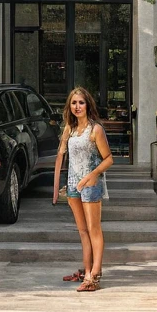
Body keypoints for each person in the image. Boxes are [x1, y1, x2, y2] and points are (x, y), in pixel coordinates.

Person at [52, 86, 114, 292]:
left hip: (90, 186)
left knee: (94, 229)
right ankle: (87, 271)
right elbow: (61, 155)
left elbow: (109, 159)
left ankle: (95, 274)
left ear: (88, 104)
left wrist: (91, 175)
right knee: (82, 231)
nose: (77, 106)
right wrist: (56, 188)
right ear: (69, 107)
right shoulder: (70, 129)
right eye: (73, 103)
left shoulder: (95, 129)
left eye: (81, 102)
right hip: (72, 185)